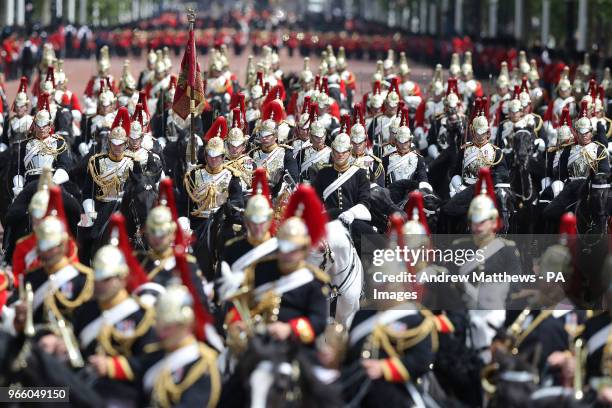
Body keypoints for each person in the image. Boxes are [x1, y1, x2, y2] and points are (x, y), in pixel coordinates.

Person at [141, 285, 221, 407]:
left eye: (168, 327)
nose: (161, 333)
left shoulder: (201, 363)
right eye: (159, 325)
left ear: (185, 324)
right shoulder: (155, 354)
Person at [314, 133, 374, 255]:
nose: (340, 154)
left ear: (349, 152)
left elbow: (365, 201)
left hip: (352, 219)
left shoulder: (360, 174)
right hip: (330, 219)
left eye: (344, 151)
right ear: (332, 152)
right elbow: (316, 200)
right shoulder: (323, 173)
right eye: (337, 151)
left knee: (372, 243)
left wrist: (352, 213)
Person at [184, 117, 243, 233]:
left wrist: (227, 207)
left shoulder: (232, 175)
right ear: (205, 156)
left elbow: (238, 200)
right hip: (198, 222)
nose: (213, 160)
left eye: (217, 157)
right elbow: (185, 202)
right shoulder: (194, 174)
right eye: (210, 156)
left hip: (221, 222)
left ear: (223, 157)